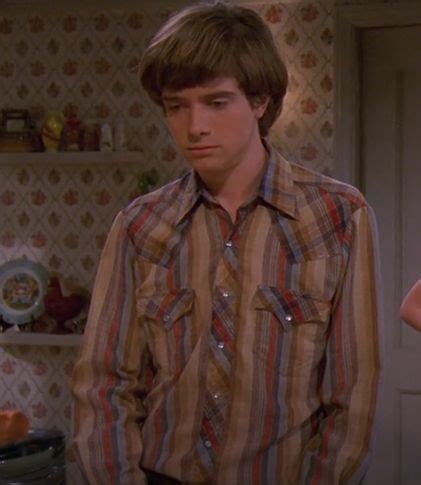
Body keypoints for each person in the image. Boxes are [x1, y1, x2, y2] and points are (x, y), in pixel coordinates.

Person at [71, 2, 382, 483]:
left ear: (259, 102)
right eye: (177, 106)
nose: (194, 126)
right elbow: (103, 384)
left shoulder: (338, 216)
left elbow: (352, 396)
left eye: (216, 103)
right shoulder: (140, 224)